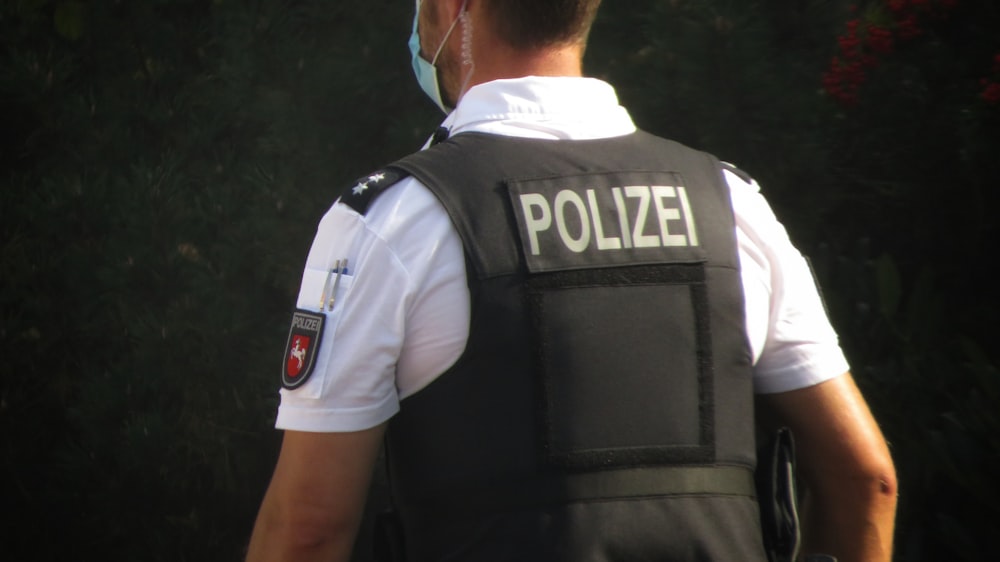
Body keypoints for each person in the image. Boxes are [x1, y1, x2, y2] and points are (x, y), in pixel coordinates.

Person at [246, 0, 898, 560]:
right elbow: (865, 481)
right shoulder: (730, 204)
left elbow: (308, 531)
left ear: (453, 8)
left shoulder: (394, 222)